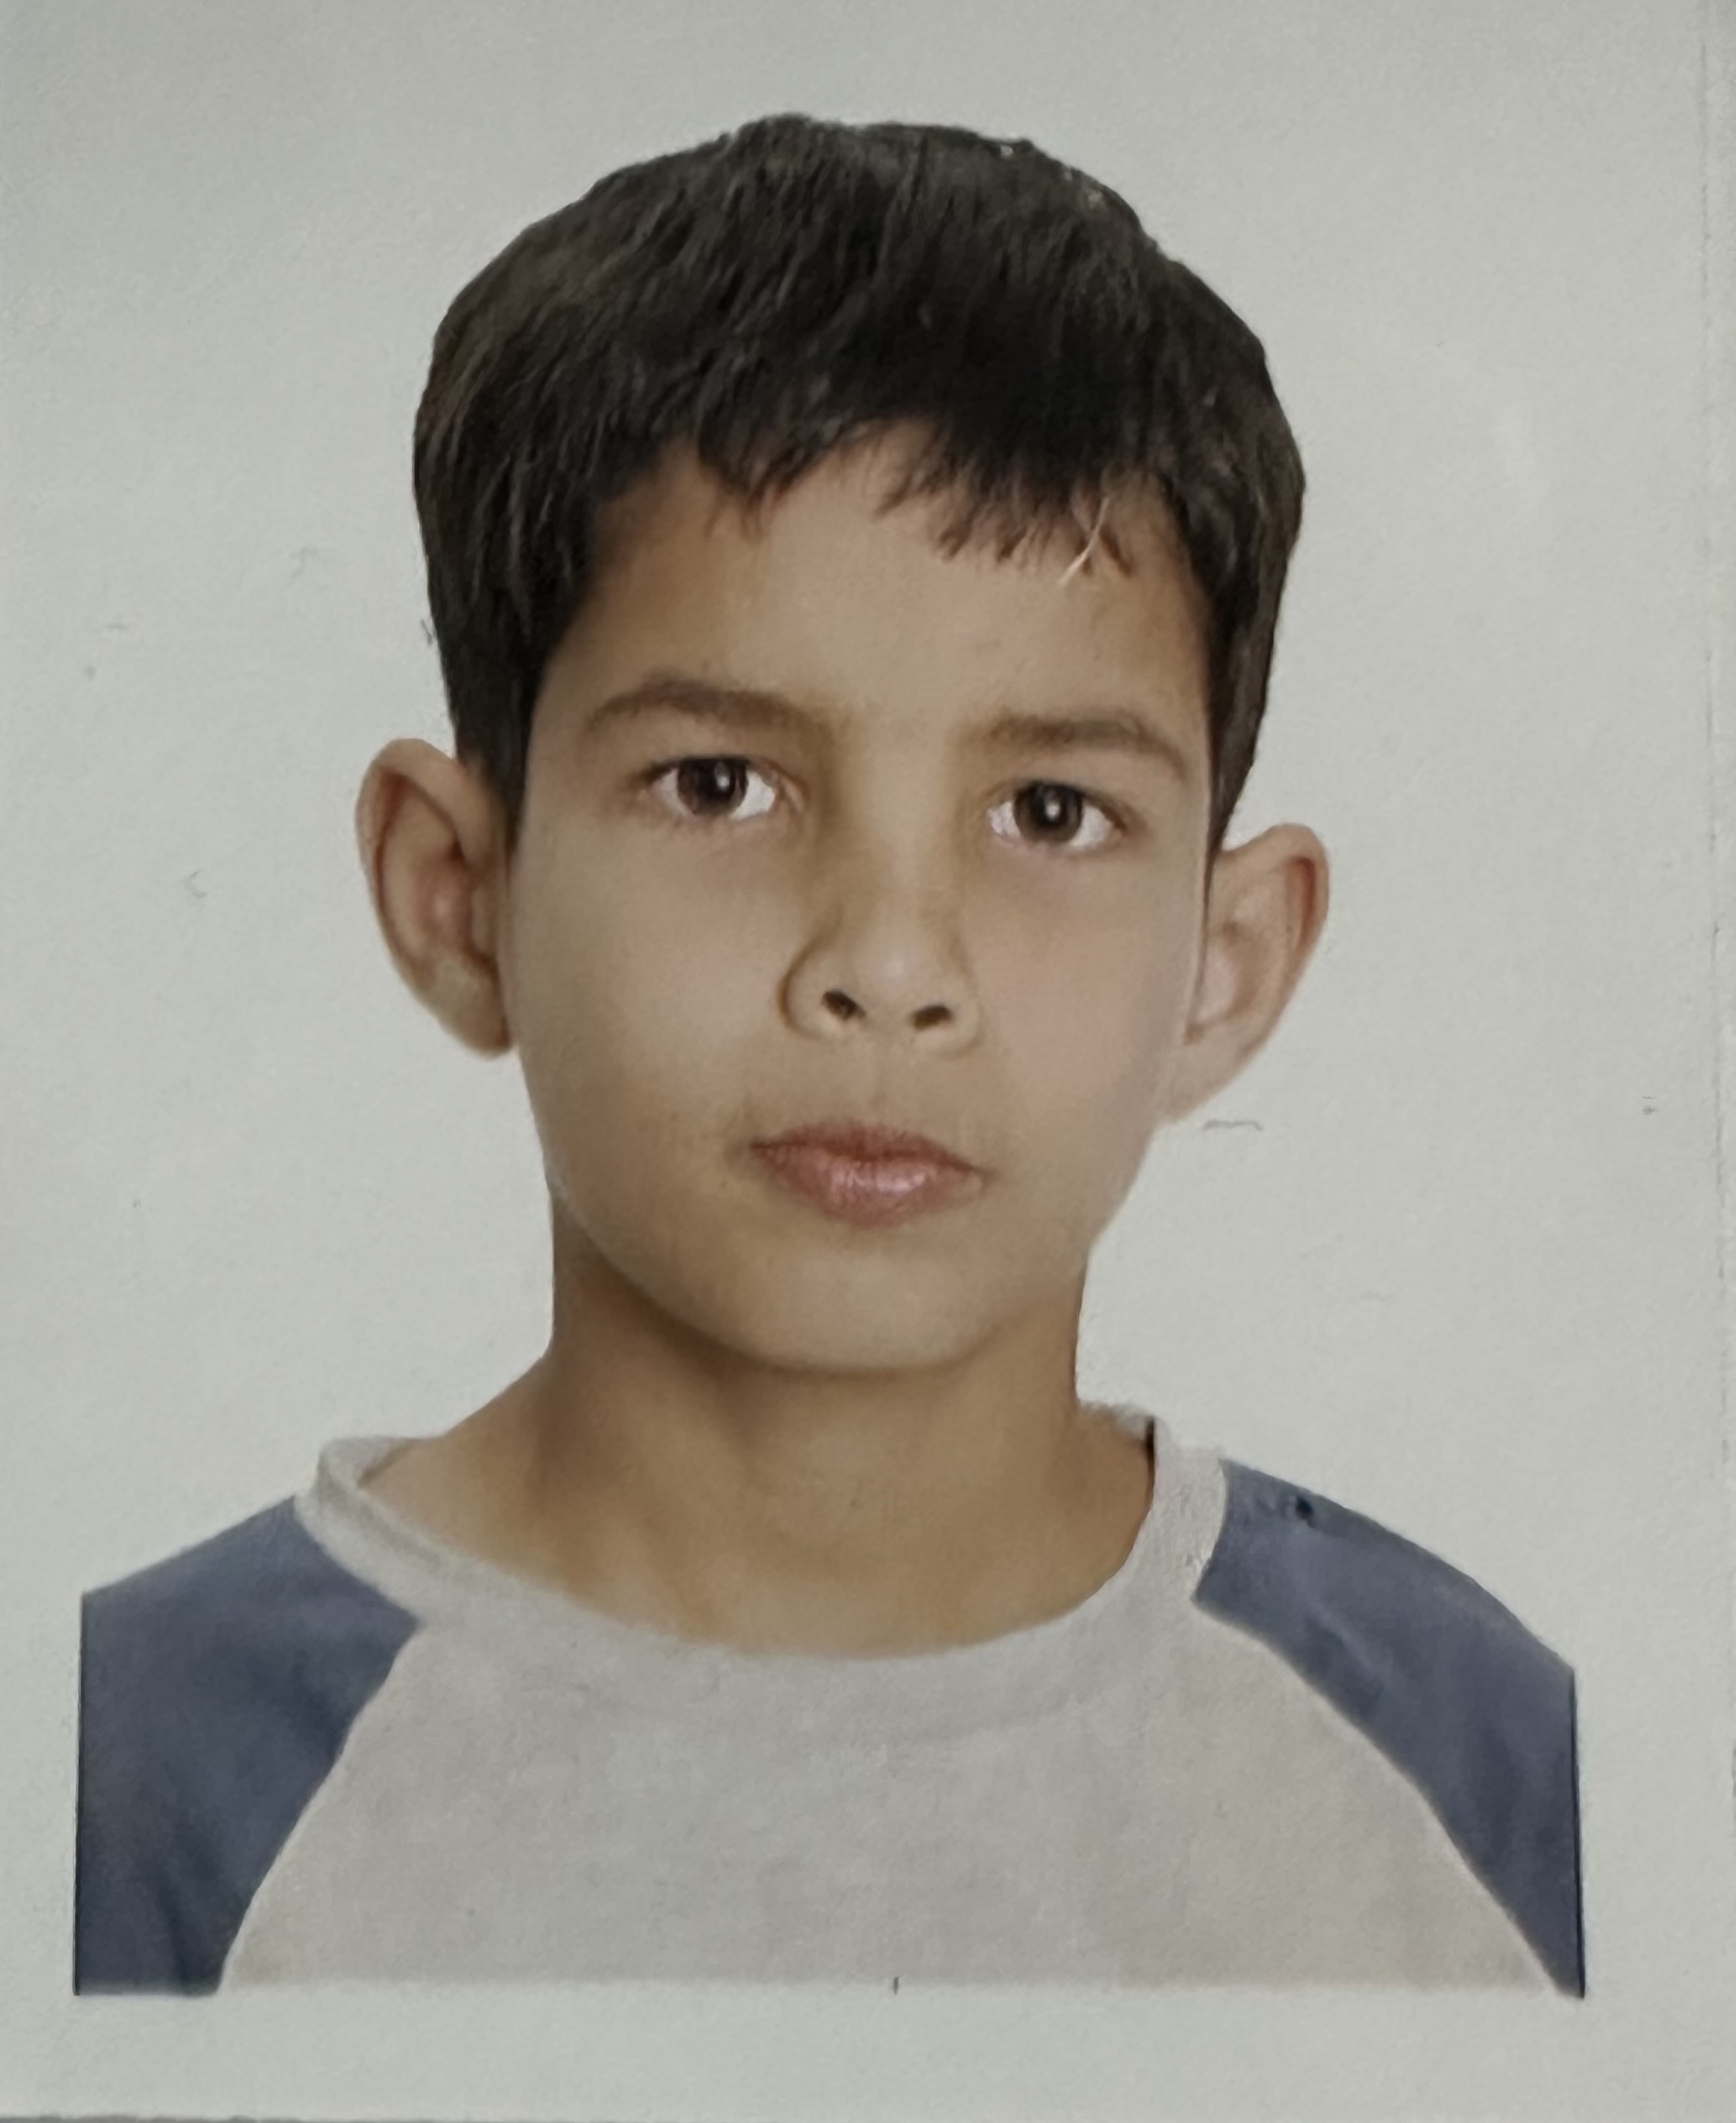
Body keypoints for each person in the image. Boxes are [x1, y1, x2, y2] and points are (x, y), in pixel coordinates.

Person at [73, 113, 1582, 1997]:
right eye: (719, 783)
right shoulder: (125, 1784)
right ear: (458, 894)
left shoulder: (1485, 1768)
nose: (886, 964)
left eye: (1047, 811)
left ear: (1225, 963)